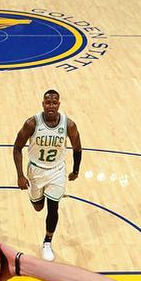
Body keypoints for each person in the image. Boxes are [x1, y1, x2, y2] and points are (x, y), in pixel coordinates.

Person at [12, 90, 82, 262]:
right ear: (43, 104)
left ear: (59, 104)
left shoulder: (69, 125)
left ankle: (47, 242)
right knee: (38, 207)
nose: (51, 106)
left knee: (53, 207)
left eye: (54, 103)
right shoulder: (31, 123)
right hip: (36, 171)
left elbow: (77, 148)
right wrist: (20, 175)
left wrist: (76, 170)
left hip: (57, 170)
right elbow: (17, 147)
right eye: (48, 103)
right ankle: (36, 197)